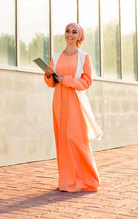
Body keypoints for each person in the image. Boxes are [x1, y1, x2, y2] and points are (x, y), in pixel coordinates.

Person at [44, 22, 102, 192]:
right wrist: (48, 75)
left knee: (76, 139)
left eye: (74, 31)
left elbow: (87, 82)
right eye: (67, 31)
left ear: (79, 36)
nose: (70, 34)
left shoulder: (84, 57)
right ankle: (66, 182)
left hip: (75, 102)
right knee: (62, 141)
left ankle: (88, 180)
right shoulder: (56, 56)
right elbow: (51, 83)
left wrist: (67, 80)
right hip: (59, 102)